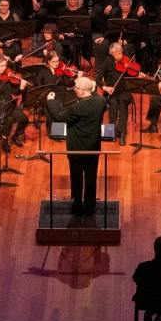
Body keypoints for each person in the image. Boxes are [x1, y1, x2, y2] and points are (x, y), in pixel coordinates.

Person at [45, 73, 110, 218]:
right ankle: (90, 208)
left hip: (77, 148)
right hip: (93, 147)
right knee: (91, 178)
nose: (74, 90)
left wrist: (51, 101)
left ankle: (77, 207)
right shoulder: (101, 102)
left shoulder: (77, 108)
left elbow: (59, 116)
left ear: (82, 91)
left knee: (77, 179)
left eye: (76, 88)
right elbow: (100, 100)